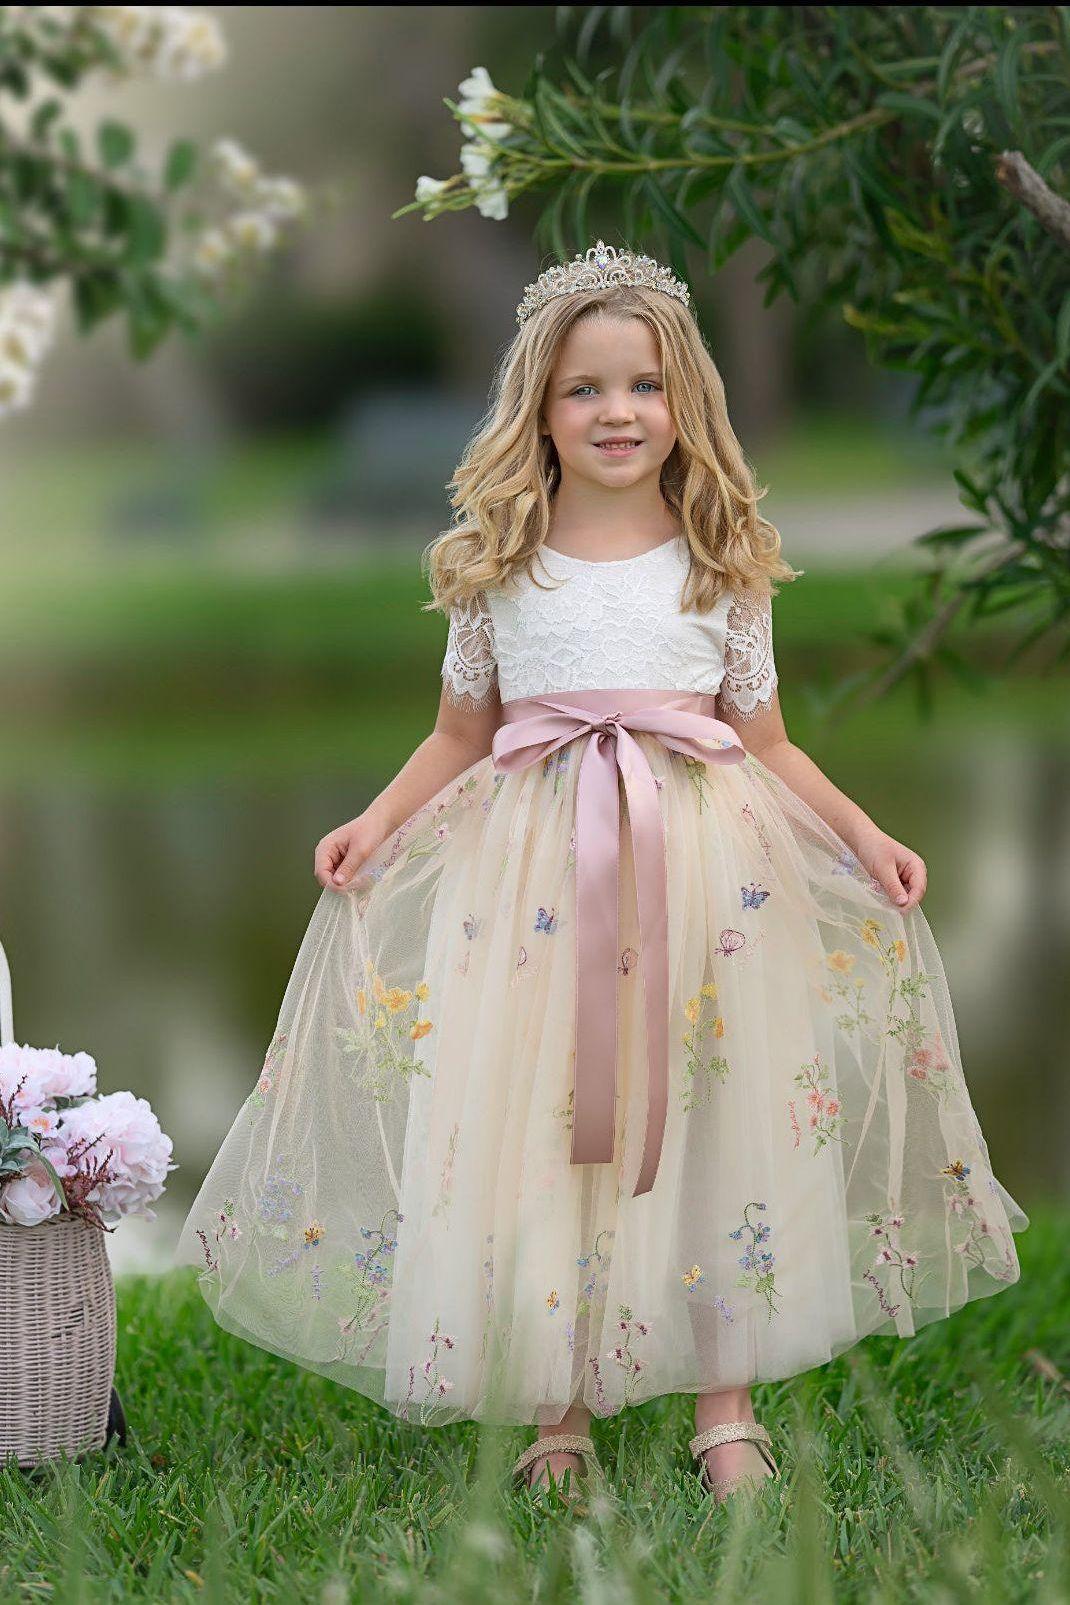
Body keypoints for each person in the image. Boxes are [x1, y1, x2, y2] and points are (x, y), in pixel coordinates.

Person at [172, 241, 1028, 1506]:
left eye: (640, 387)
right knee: (548, 1125)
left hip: (707, 883)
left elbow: (763, 737)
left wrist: (862, 834)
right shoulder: (498, 558)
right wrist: (375, 820)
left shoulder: (718, 553)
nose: (615, 413)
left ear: (683, 401)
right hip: (532, 884)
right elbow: (462, 733)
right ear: (538, 406)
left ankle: (722, 1407)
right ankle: (556, 1409)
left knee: (713, 1111)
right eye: (583, 390)